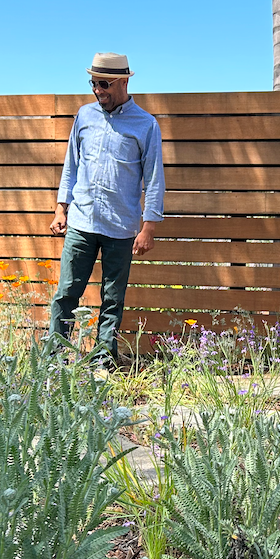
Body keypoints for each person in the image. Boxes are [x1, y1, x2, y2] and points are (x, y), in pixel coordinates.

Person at [48, 52, 165, 363]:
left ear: (123, 81)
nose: (98, 90)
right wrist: (61, 209)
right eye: (93, 83)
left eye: (104, 84)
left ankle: (103, 361)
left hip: (120, 227)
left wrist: (149, 226)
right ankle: (54, 359)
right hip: (81, 223)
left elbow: (154, 178)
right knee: (66, 294)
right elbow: (70, 166)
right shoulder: (84, 117)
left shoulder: (146, 125)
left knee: (112, 300)